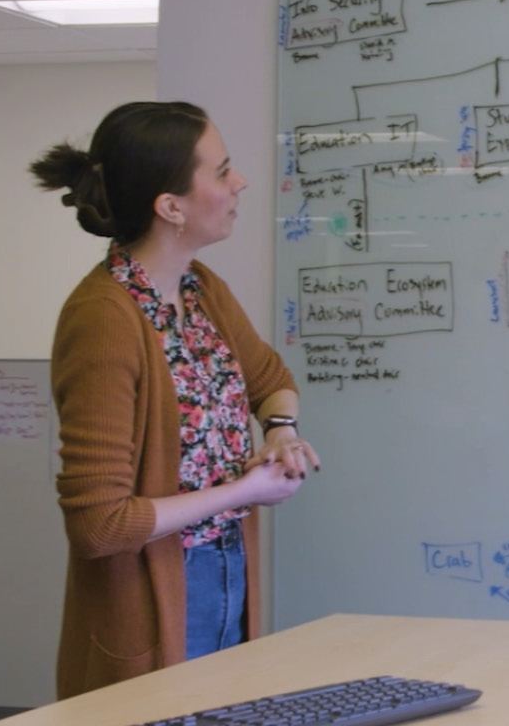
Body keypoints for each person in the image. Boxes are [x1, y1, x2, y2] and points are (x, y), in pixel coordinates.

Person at [32, 101, 320, 697]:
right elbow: (100, 526)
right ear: (171, 208)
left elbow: (269, 378)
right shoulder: (104, 319)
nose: (239, 182)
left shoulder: (199, 287)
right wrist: (246, 492)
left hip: (225, 569)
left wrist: (282, 431)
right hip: (151, 592)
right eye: (221, 171)